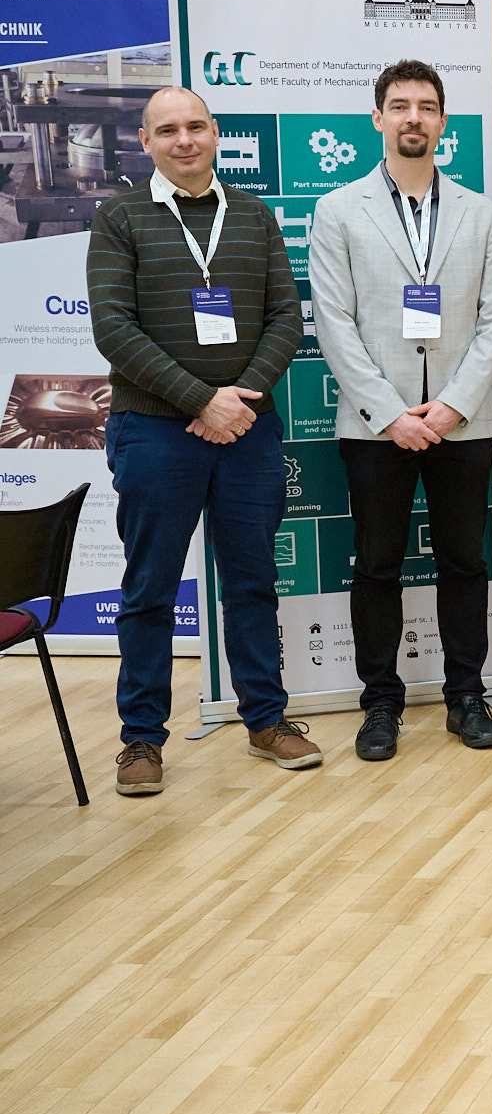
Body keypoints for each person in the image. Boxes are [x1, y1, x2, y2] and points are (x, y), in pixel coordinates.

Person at [89, 86, 318, 794]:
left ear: (215, 133)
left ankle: (266, 720)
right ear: (146, 142)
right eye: (168, 130)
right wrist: (201, 400)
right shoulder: (120, 216)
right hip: (154, 431)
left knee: (252, 581)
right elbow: (114, 329)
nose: (184, 140)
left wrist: (237, 399)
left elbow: (286, 316)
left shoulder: (252, 213)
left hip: (247, 427)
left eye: (195, 126)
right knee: (150, 589)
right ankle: (141, 739)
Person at [309, 60, 492, 761]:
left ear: (443, 121)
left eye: (426, 106)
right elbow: (333, 323)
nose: (413, 118)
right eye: (400, 106)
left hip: (463, 422)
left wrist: (451, 407)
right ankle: (381, 703)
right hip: (376, 426)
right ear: (378, 118)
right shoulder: (338, 210)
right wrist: (393, 414)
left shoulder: (479, 212)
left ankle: (467, 695)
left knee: (463, 561)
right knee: (376, 564)